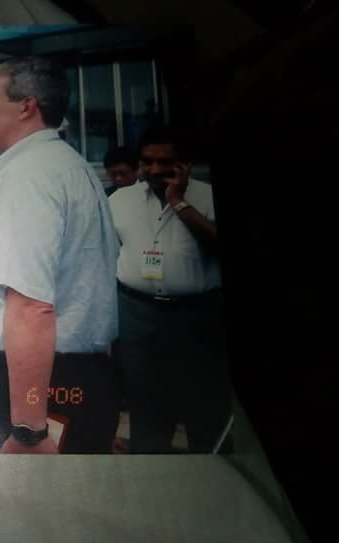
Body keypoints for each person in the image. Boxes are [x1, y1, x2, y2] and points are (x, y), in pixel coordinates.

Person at [0, 56, 121, 455]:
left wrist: (28, 430)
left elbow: (30, 306)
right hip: (70, 376)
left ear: (27, 106)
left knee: (7, 496)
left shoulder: (29, 176)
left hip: (24, 387)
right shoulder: (67, 166)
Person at [108, 125, 231, 453]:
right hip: (137, 315)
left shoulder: (207, 196)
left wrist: (178, 202)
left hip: (196, 317)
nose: (155, 169)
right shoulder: (121, 200)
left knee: (204, 408)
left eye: (165, 162)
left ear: (184, 163)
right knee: (145, 405)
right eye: (147, 161)